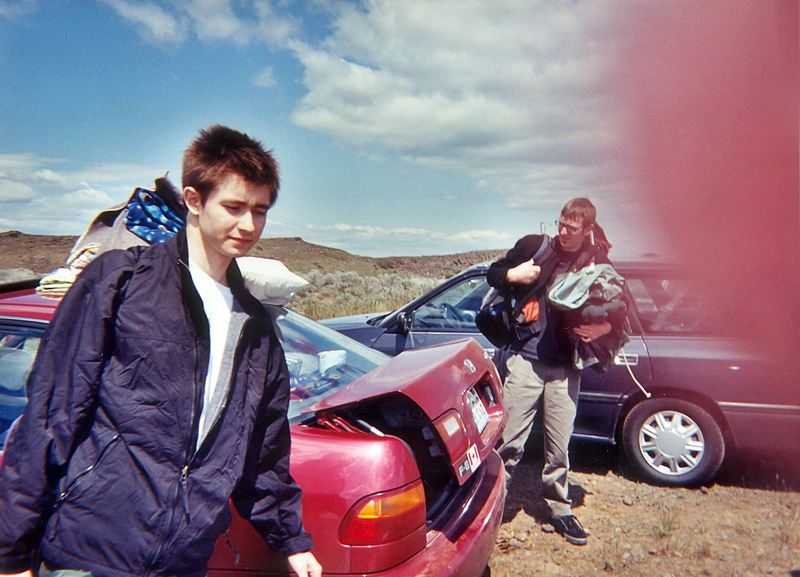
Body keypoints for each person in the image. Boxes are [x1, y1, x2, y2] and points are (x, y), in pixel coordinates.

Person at [0, 126, 322, 577]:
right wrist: (10, 551)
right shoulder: (121, 282)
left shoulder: (254, 327)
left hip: (183, 561)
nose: (249, 225)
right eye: (233, 207)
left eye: (260, 210)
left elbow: (262, 451)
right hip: (90, 553)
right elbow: (52, 412)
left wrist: (291, 540)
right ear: (194, 200)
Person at [487, 197, 624, 546]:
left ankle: (560, 508)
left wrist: (604, 328)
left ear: (587, 229)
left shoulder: (596, 261)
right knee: (509, 442)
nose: (563, 232)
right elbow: (493, 273)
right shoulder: (535, 246)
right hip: (526, 362)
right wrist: (513, 275)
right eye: (560, 223)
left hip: (565, 369)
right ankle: (491, 508)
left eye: (572, 228)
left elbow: (622, 310)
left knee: (559, 447)